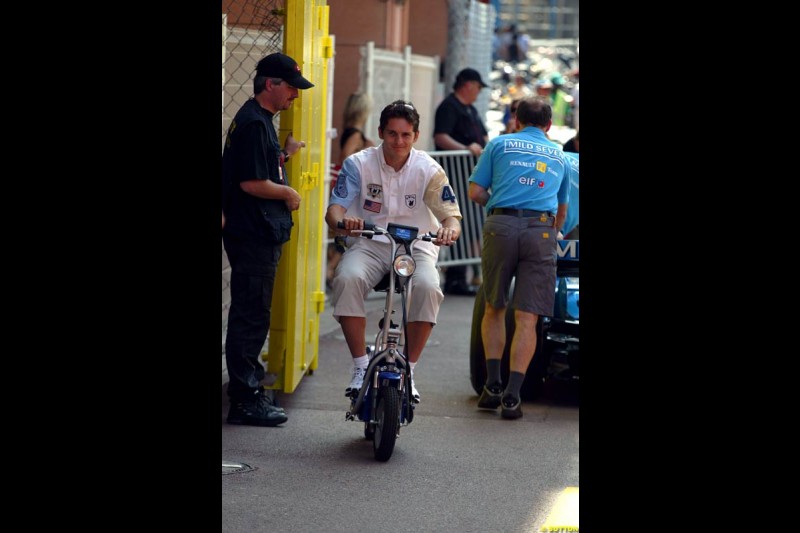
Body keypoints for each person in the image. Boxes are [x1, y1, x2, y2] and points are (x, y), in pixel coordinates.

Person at [326, 100, 463, 404]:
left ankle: (410, 371)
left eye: (405, 135)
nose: (398, 142)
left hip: (416, 249)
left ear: (415, 135)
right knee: (347, 277)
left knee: (428, 287)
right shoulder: (358, 164)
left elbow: (450, 215)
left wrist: (449, 229)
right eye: (391, 134)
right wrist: (341, 221)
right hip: (371, 244)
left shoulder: (429, 169)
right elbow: (334, 208)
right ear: (380, 133)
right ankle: (361, 366)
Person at [221, 52, 314, 427]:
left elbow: (256, 168)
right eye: (291, 87)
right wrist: (287, 194)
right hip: (253, 233)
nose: (295, 95)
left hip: (252, 231)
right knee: (251, 314)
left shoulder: (256, 121)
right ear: (271, 84)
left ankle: (249, 391)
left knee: (251, 311)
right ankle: (245, 398)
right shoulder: (255, 124)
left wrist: (284, 156)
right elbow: (251, 183)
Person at [467, 96, 571, 420]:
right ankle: (513, 395)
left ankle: (493, 385)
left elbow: (474, 191)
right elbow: (562, 212)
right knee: (528, 317)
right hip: (541, 231)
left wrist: (498, 204)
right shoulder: (560, 155)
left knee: (494, 307)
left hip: (501, 225)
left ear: (516, 120)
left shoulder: (499, 145)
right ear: (549, 126)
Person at [433, 67, 489, 295]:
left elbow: (483, 136)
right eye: (477, 87)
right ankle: (456, 279)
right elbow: (440, 136)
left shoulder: (471, 109)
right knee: (460, 223)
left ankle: (462, 275)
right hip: (455, 176)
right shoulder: (449, 107)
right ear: (468, 85)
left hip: (469, 176)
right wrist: (465, 148)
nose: (478, 92)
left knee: (473, 225)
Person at [327, 93, 376, 288]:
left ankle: (331, 267)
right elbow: (346, 158)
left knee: (342, 230)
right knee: (347, 229)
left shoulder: (350, 130)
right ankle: (331, 269)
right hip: (348, 186)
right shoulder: (355, 133)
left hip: (343, 183)